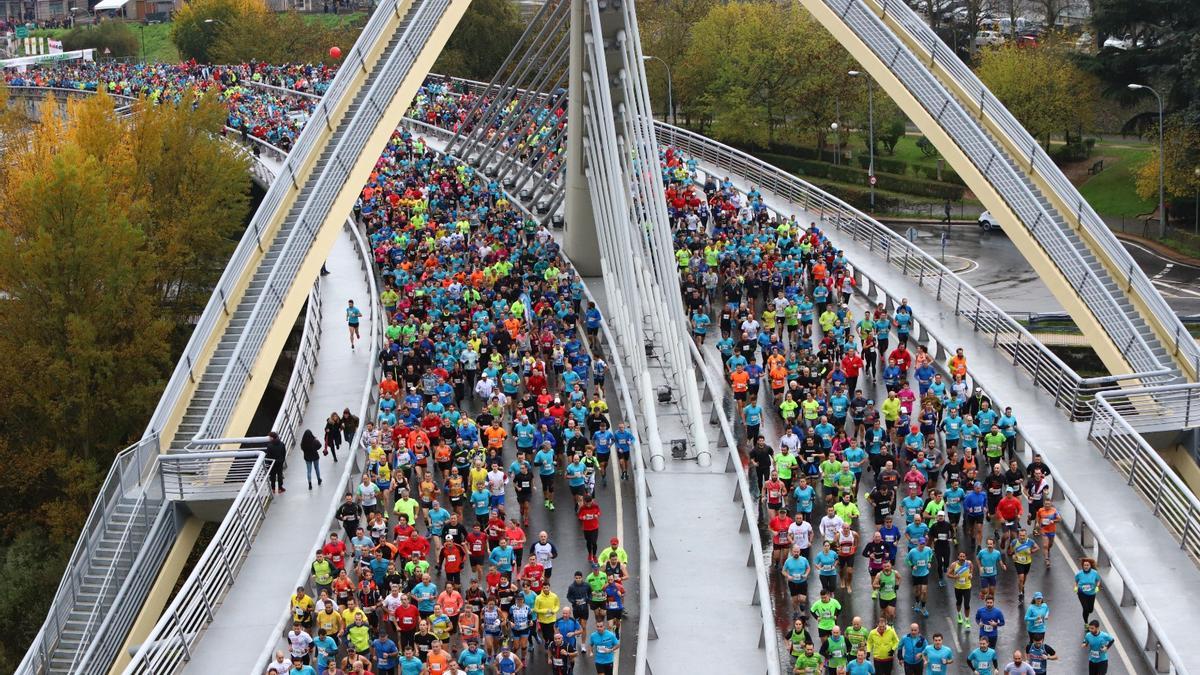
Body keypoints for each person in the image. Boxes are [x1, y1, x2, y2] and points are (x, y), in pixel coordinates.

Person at [1074, 558, 1101, 626]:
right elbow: (1076, 581)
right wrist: (1076, 587)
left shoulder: (1095, 573)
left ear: (1090, 566)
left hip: (1092, 593)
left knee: (1090, 610)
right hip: (1082, 593)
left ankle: (1087, 613)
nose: (1086, 566)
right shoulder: (1079, 574)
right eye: (1084, 565)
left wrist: (1097, 587)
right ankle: (1086, 623)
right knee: (1085, 609)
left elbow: (1098, 581)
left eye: (1087, 565)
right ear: (1082, 566)